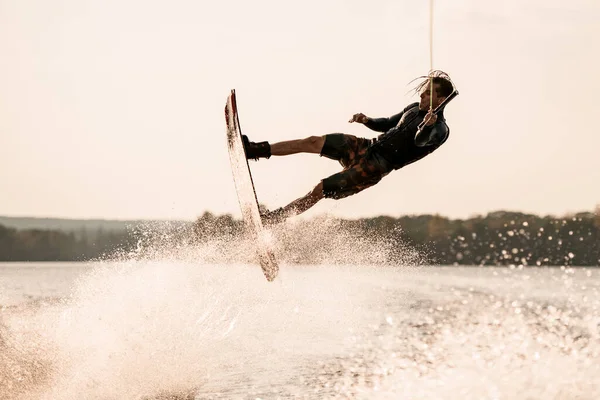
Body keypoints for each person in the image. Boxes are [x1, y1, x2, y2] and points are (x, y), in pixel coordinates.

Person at [242, 70, 457, 224]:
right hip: (367, 146)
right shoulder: (413, 108)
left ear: (439, 98)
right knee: (314, 141)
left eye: (428, 93)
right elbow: (387, 123)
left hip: (375, 167)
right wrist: (367, 120)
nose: (421, 95)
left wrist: (427, 126)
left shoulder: (440, 130)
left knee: (319, 190)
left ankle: (273, 220)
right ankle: (256, 150)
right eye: (423, 91)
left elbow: (420, 141)